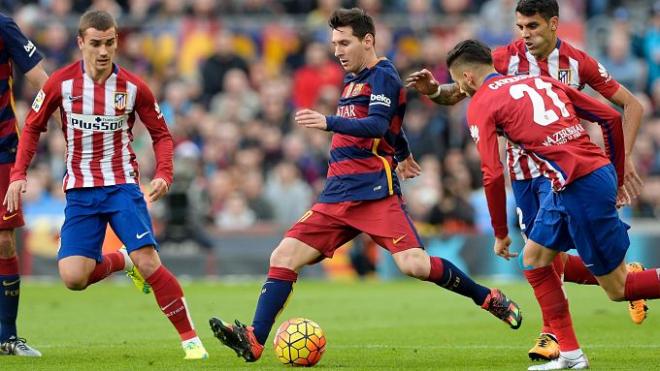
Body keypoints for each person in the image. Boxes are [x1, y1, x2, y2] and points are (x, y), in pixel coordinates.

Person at [208, 8, 523, 363]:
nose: (338, 50)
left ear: (368, 40)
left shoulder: (383, 75)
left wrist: (328, 121)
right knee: (283, 256)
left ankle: (488, 298)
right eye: (334, 44)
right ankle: (254, 340)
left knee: (415, 265)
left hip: (374, 193)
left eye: (345, 42)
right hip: (336, 194)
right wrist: (402, 151)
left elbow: (375, 124)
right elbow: (391, 125)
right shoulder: (353, 79)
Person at [406, 0, 647, 361]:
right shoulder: (503, 58)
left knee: (542, 258)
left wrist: (623, 161)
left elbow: (630, 106)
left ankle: (561, 334)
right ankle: (586, 318)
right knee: (544, 258)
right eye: (520, 27)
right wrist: (434, 92)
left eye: (532, 26)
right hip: (526, 175)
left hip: (566, 170)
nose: (525, 35)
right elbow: (463, 89)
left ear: (553, 24)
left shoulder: (577, 62)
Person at [3, 10, 208, 360]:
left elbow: (161, 134)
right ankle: (122, 262)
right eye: (95, 43)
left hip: (122, 187)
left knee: (149, 261)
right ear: (80, 42)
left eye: (109, 43)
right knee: (73, 277)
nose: (103, 51)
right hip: (80, 193)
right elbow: (34, 127)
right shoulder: (60, 85)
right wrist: (19, 174)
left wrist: (164, 173)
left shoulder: (133, 87)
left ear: (116, 43)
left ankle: (191, 341)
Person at [446, 39, 660, 371]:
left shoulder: (482, 103)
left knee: (620, 289)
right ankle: (571, 355)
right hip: (580, 179)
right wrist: (615, 176)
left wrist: (500, 233)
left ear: (468, 79)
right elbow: (609, 116)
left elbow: (490, 173)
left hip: (580, 185)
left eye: (460, 83)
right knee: (535, 259)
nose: (462, 89)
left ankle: (572, 353)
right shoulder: (539, 80)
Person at [0, 12, 49, 357]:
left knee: (4, 238)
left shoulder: (3, 26)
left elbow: (40, 80)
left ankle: (7, 335)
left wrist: (70, 120)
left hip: (2, 148)